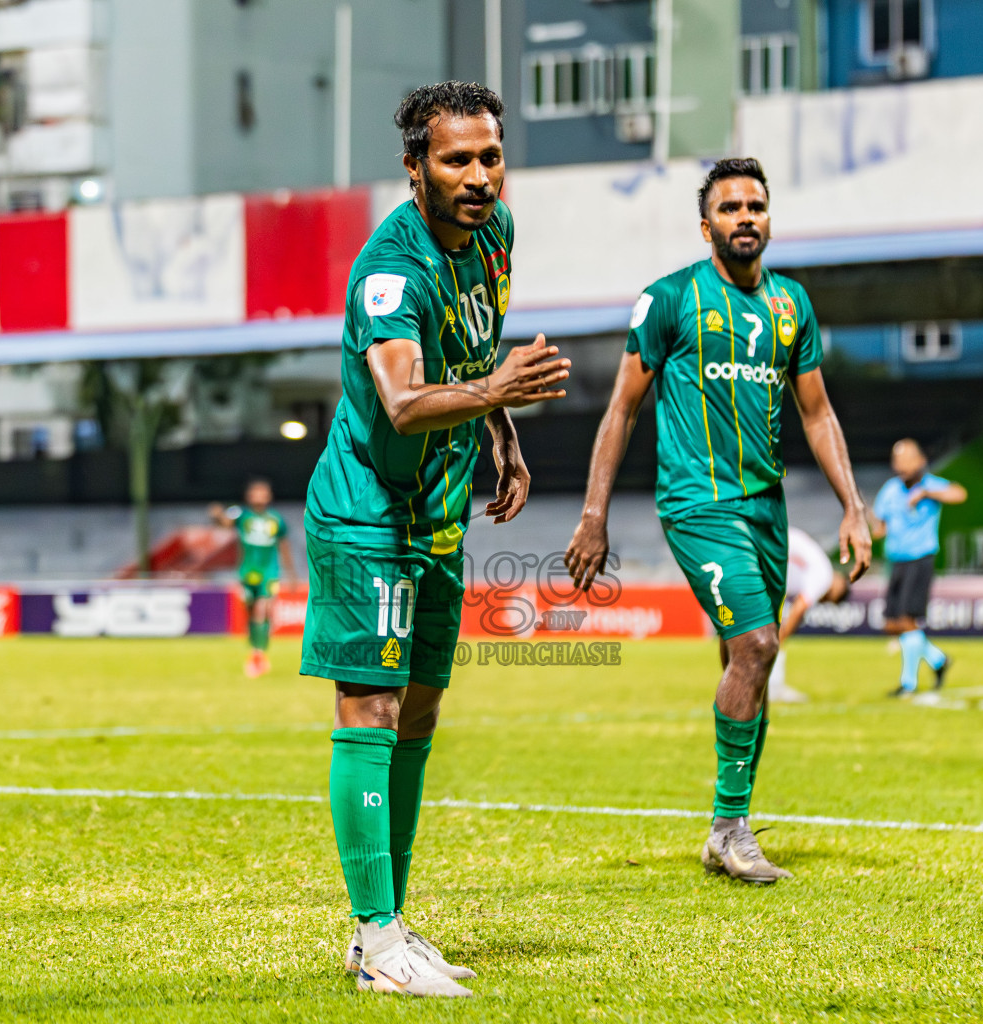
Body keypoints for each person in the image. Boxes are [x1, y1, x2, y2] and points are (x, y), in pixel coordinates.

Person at [302, 81, 569, 998]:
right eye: (457, 159)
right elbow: (406, 401)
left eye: (490, 156)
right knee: (369, 709)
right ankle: (377, 937)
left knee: (418, 712)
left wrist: (502, 437)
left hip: (439, 511)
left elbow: (469, 353)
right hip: (369, 505)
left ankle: (387, 928)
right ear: (414, 167)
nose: (480, 177)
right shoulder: (391, 269)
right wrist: (499, 394)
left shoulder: (493, 236)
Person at [566, 158, 871, 886]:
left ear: (769, 220)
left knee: (748, 665)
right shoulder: (669, 301)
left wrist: (853, 505)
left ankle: (726, 832)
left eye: (756, 206)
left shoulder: (792, 306)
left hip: (766, 508)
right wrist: (593, 514)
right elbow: (622, 409)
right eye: (730, 207)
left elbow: (818, 412)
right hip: (697, 505)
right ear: (706, 226)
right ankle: (731, 829)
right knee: (760, 643)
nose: (745, 217)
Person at [869, 439, 967, 698]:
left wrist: (927, 494)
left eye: (906, 459)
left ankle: (908, 683)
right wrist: (868, 523)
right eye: (897, 460)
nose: (900, 465)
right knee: (892, 624)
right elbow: (880, 528)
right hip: (896, 561)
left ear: (920, 461)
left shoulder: (930, 484)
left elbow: (959, 494)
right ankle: (938, 659)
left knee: (908, 620)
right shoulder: (890, 490)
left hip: (920, 559)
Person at [209, 478, 296, 678]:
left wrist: (291, 574)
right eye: (256, 492)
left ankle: (258, 655)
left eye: (263, 492)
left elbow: (284, 546)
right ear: (249, 495)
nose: (259, 496)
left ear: (269, 496)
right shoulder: (241, 514)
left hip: (269, 572)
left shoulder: (276, 519)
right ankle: (257, 649)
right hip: (247, 572)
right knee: (251, 612)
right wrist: (216, 515)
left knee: (261, 609)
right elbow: (224, 522)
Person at [767, 526, 851, 704]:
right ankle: (773, 686)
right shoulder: (824, 576)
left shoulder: (819, 567)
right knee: (777, 635)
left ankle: (772, 685)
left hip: (770, 543)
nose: (827, 600)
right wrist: (784, 634)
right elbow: (799, 608)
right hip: (767, 550)